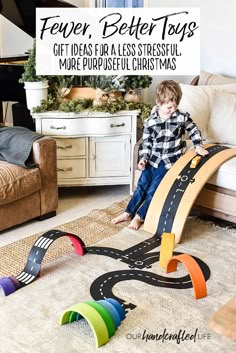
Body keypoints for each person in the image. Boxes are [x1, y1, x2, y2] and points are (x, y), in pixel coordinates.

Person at [111, 80, 209, 230]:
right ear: (159, 103)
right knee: (141, 187)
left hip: (168, 163)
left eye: (176, 106)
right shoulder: (150, 122)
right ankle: (128, 212)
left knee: (153, 191)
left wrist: (198, 146)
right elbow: (147, 143)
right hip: (152, 160)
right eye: (169, 107)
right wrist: (144, 158)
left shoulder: (181, 117)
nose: (173, 109)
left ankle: (139, 217)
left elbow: (193, 130)